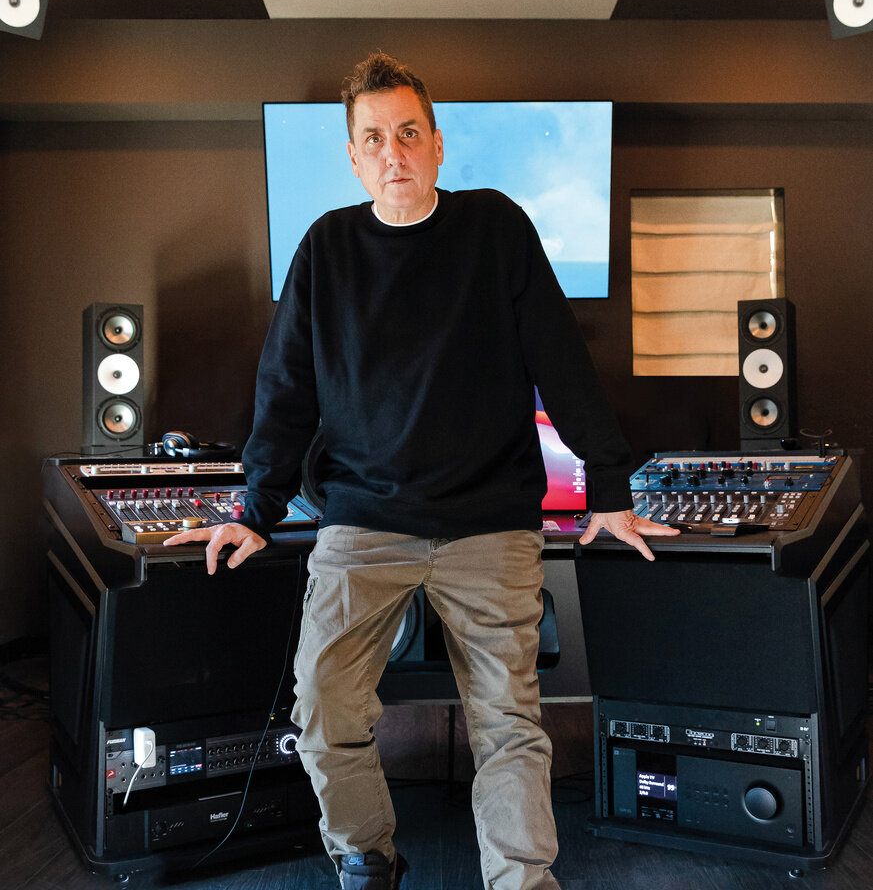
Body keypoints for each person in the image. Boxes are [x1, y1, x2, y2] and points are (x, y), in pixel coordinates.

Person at [164, 53, 679, 890]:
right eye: (374, 138)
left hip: (488, 523)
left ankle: (522, 882)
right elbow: (286, 389)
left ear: (438, 144)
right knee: (321, 706)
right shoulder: (327, 247)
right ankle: (366, 858)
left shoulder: (495, 227)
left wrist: (609, 486)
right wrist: (255, 510)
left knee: (508, 725)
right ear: (353, 157)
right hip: (363, 522)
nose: (393, 151)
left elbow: (559, 361)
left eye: (408, 133)